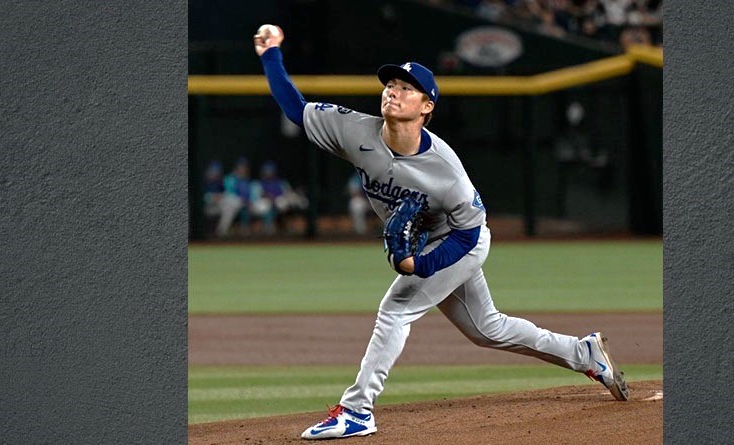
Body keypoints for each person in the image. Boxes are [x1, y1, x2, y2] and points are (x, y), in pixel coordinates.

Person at [253, 25, 629, 440]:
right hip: (433, 240)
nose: (393, 92)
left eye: (406, 88)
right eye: (390, 85)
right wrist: (271, 54)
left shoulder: (446, 172)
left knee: (395, 309)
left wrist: (419, 265)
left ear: (426, 106)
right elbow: (296, 108)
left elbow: (469, 235)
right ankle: (584, 353)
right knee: (487, 329)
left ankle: (358, 410)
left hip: (459, 242)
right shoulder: (355, 130)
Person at [250, 160, 308, 234]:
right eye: (266, 171)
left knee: (289, 202)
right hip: (265, 205)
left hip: (280, 203)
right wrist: (267, 196)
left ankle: (290, 225)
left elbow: (288, 193)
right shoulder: (258, 184)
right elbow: (254, 197)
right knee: (267, 205)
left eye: (270, 171)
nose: (268, 173)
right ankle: (268, 227)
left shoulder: (281, 183)